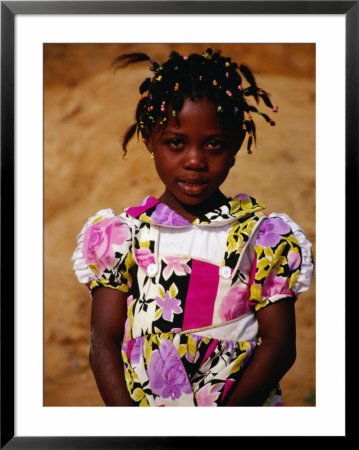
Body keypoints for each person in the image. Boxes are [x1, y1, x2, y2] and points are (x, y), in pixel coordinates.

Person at [72, 48, 314, 407]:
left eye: (214, 144)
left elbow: (279, 347)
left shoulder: (263, 237)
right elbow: (103, 344)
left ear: (235, 148)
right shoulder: (122, 236)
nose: (195, 160)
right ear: (148, 140)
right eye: (176, 143)